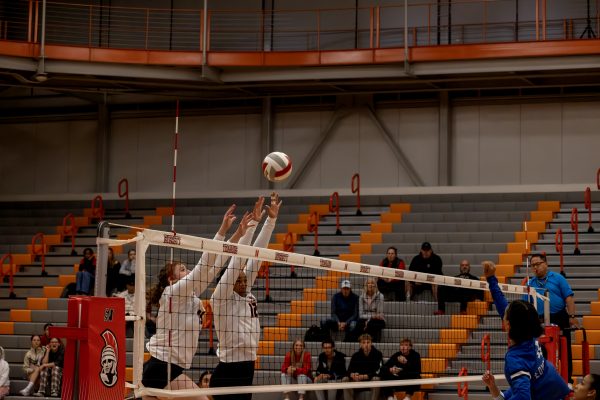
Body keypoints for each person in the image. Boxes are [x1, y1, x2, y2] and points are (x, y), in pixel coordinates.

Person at [142, 204, 249, 400]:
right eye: (182, 269)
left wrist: (237, 237)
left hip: (170, 367)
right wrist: (222, 230)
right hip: (162, 366)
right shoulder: (172, 292)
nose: (188, 271)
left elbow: (216, 266)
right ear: (171, 279)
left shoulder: (190, 295)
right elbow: (203, 267)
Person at [210, 194, 282, 400]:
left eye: (244, 280)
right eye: (238, 280)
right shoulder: (221, 298)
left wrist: (270, 220)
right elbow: (237, 262)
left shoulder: (246, 291)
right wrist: (252, 225)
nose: (243, 282)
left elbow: (257, 254)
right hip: (228, 371)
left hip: (248, 366)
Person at [481, 260, 570, 400]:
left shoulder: (516, 358)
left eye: (505, 315)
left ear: (508, 325)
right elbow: (502, 305)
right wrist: (491, 278)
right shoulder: (529, 337)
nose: (503, 313)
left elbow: (523, 396)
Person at [525, 253, 580, 384]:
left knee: (564, 349)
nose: (535, 268)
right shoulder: (530, 283)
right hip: (539, 320)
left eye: (538, 264)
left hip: (559, 317)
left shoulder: (558, 278)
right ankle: (545, 381)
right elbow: (526, 305)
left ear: (546, 264)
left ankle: (567, 380)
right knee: (541, 350)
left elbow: (569, 298)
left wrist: (572, 316)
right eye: (533, 265)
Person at [342, 333, 383, 400]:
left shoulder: (378, 354)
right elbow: (349, 370)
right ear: (360, 344)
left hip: (370, 380)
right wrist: (352, 374)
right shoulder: (356, 355)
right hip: (358, 381)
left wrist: (365, 376)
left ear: (371, 343)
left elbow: (379, 371)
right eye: (363, 343)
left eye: (368, 342)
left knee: (376, 379)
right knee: (345, 379)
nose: (366, 345)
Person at [407, 242, 443, 307]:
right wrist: (414, 280)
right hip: (418, 283)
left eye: (427, 250)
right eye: (424, 250)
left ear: (431, 250)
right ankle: (408, 300)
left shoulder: (437, 259)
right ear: (421, 250)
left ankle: (438, 303)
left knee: (435, 283)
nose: (425, 252)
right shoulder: (416, 259)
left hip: (432, 282)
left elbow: (438, 274)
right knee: (408, 281)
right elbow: (410, 273)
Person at [354, 277, 385, 342]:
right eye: (368, 283)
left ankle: (372, 342)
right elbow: (361, 315)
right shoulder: (361, 297)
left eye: (372, 283)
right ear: (366, 285)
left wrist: (368, 322)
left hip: (378, 320)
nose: (370, 285)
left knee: (371, 324)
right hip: (366, 318)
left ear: (375, 285)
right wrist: (370, 318)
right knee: (358, 324)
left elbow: (379, 314)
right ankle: (360, 342)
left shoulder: (380, 296)